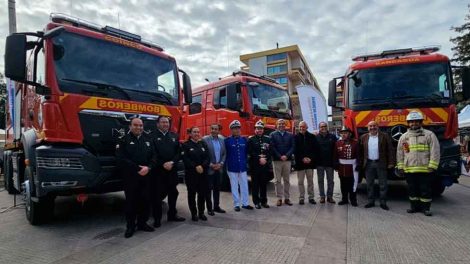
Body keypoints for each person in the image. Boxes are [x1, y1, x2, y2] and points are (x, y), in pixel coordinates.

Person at [116, 117, 155, 238]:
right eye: (136, 125)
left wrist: (148, 168)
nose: (139, 127)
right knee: (131, 202)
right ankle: (130, 226)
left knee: (146, 200)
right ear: (130, 126)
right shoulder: (123, 140)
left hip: (146, 176)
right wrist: (138, 169)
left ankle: (142, 223)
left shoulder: (148, 139)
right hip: (131, 177)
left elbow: (154, 156)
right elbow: (121, 159)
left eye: (141, 125)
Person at [397, 111, 440, 216]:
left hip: (425, 169)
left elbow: (435, 151)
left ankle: (426, 209)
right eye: (411, 122)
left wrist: (432, 166)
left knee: (425, 190)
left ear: (421, 122)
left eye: (416, 122)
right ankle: (414, 207)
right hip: (409, 169)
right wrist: (401, 167)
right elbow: (400, 153)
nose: (414, 124)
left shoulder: (429, 135)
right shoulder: (404, 137)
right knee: (412, 190)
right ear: (408, 123)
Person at [150, 116, 185, 228]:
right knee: (157, 196)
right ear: (157, 124)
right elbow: (152, 154)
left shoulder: (174, 136)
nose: (165, 124)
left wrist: (172, 163)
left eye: (167, 122)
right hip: (158, 172)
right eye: (163, 122)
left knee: (173, 193)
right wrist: (163, 164)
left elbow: (179, 153)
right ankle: (157, 219)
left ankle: (172, 215)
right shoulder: (152, 136)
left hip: (172, 170)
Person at [359, 120, 395, 210]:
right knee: (369, 184)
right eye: (370, 126)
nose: (372, 128)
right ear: (368, 128)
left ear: (378, 127)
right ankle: (371, 201)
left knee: (383, 184)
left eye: (374, 126)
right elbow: (360, 152)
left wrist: (391, 162)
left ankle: (383, 202)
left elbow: (390, 150)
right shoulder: (363, 137)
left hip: (381, 163)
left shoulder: (385, 136)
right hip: (368, 164)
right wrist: (360, 163)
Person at [182, 126, 211, 221]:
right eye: (194, 132)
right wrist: (195, 166)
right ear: (190, 134)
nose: (196, 134)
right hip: (191, 174)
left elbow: (208, 157)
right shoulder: (186, 145)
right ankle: (194, 214)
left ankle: (201, 212)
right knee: (192, 194)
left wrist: (202, 166)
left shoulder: (203, 143)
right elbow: (185, 159)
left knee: (202, 194)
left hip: (203, 174)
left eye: (198, 132)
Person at [225, 120, 253, 211]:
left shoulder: (244, 140)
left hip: (242, 166)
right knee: (234, 186)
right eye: (234, 129)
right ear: (231, 130)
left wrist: (246, 163)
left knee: (244, 185)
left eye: (238, 128)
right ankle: (236, 204)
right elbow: (225, 154)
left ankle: (245, 203)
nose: (237, 130)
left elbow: (247, 153)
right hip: (232, 167)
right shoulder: (227, 141)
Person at [202, 124, 227, 215]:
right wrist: (210, 164)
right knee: (208, 189)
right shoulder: (205, 139)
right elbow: (203, 154)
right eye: (212, 129)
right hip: (210, 169)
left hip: (219, 168)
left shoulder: (222, 139)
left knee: (217, 189)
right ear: (210, 129)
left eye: (216, 129)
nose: (214, 130)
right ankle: (209, 209)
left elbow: (224, 153)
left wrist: (221, 164)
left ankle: (216, 206)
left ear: (218, 130)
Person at [270, 119, 295, 206]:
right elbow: (272, 147)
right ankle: (279, 198)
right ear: (276, 125)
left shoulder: (290, 135)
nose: (281, 125)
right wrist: (280, 156)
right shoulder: (272, 135)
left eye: (283, 124)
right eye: (279, 124)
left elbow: (292, 147)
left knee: (287, 180)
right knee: (277, 180)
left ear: (285, 125)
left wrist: (286, 156)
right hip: (276, 160)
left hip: (287, 161)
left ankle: (287, 198)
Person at [247, 120, 271, 209]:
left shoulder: (267, 139)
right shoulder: (251, 139)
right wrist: (259, 158)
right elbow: (250, 152)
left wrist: (265, 159)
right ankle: (256, 202)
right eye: (257, 128)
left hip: (264, 165)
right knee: (255, 185)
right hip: (255, 166)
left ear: (263, 130)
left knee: (263, 184)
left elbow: (270, 151)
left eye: (261, 128)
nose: (259, 130)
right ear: (255, 130)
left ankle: (264, 201)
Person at [294, 121, 319, 205]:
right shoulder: (295, 137)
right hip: (300, 163)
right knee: (300, 182)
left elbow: (315, 149)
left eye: (303, 126)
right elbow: (295, 150)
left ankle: (311, 197)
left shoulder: (312, 137)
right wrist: (302, 158)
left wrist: (310, 158)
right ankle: (301, 198)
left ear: (306, 127)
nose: (302, 128)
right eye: (300, 127)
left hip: (310, 163)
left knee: (310, 181)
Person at [334, 126, 359, 207]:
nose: (343, 134)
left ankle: (353, 199)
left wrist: (358, 164)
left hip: (352, 167)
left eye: (345, 133)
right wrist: (336, 165)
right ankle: (344, 199)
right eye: (342, 133)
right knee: (343, 184)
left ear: (349, 134)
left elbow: (359, 155)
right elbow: (335, 155)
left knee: (352, 184)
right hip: (342, 167)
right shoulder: (338, 143)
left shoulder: (355, 143)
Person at [316, 122, 337, 204]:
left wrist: (335, 163)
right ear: (319, 128)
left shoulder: (333, 137)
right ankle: (322, 197)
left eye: (324, 126)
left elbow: (335, 150)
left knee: (330, 181)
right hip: (320, 163)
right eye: (321, 127)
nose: (323, 128)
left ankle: (330, 197)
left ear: (327, 127)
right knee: (320, 181)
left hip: (330, 163)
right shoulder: (316, 137)